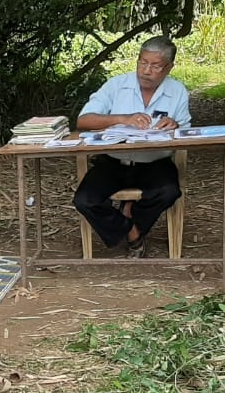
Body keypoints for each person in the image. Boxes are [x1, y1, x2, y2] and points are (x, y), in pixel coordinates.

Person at [73, 36, 192, 258]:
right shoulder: (116, 85)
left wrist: (175, 126)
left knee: (169, 192)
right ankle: (132, 231)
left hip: (155, 163)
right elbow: (84, 121)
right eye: (142, 62)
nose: (146, 70)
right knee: (84, 200)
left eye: (155, 66)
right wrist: (122, 119)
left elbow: (185, 132)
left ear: (168, 67)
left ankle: (130, 211)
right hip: (113, 162)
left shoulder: (177, 91)